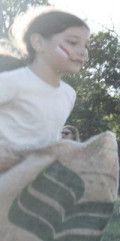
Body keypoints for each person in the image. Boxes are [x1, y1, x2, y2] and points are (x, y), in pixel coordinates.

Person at [0, 8, 89, 150]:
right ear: (38, 42)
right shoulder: (12, 81)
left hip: (36, 171)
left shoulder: (68, 94)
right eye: (72, 42)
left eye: (86, 45)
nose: (83, 52)